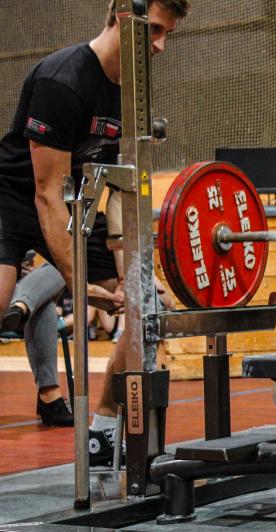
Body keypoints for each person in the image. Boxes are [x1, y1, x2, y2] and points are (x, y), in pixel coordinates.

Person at [0, 0, 189, 466]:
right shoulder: (62, 80)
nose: (161, 47)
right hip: (15, 200)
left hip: (75, 205)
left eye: (168, 35)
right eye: (155, 31)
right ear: (125, 17)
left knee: (144, 307)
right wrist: (78, 283)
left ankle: (103, 431)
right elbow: (45, 193)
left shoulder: (132, 95)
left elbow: (123, 191)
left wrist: (130, 275)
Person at [1, 258, 73, 426]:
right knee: (61, 269)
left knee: (63, 264)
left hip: (17, 288)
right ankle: (49, 396)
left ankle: (21, 306)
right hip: (6, 291)